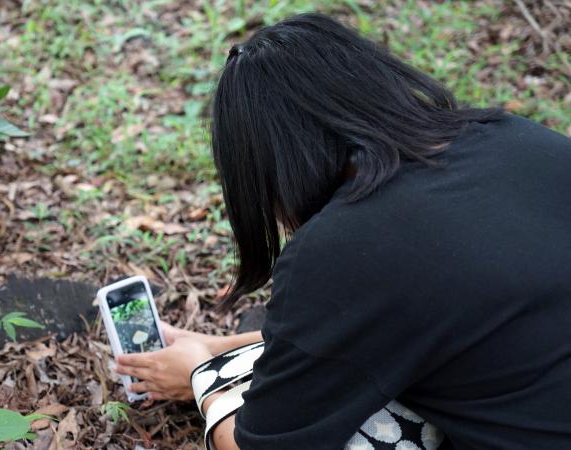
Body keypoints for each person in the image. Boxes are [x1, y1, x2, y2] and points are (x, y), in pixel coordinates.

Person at [116, 12, 571, 450]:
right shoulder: (517, 136)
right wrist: (221, 346)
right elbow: (447, 315)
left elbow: (257, 445)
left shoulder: (344, 247)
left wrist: (201, 376)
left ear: (266, 166)